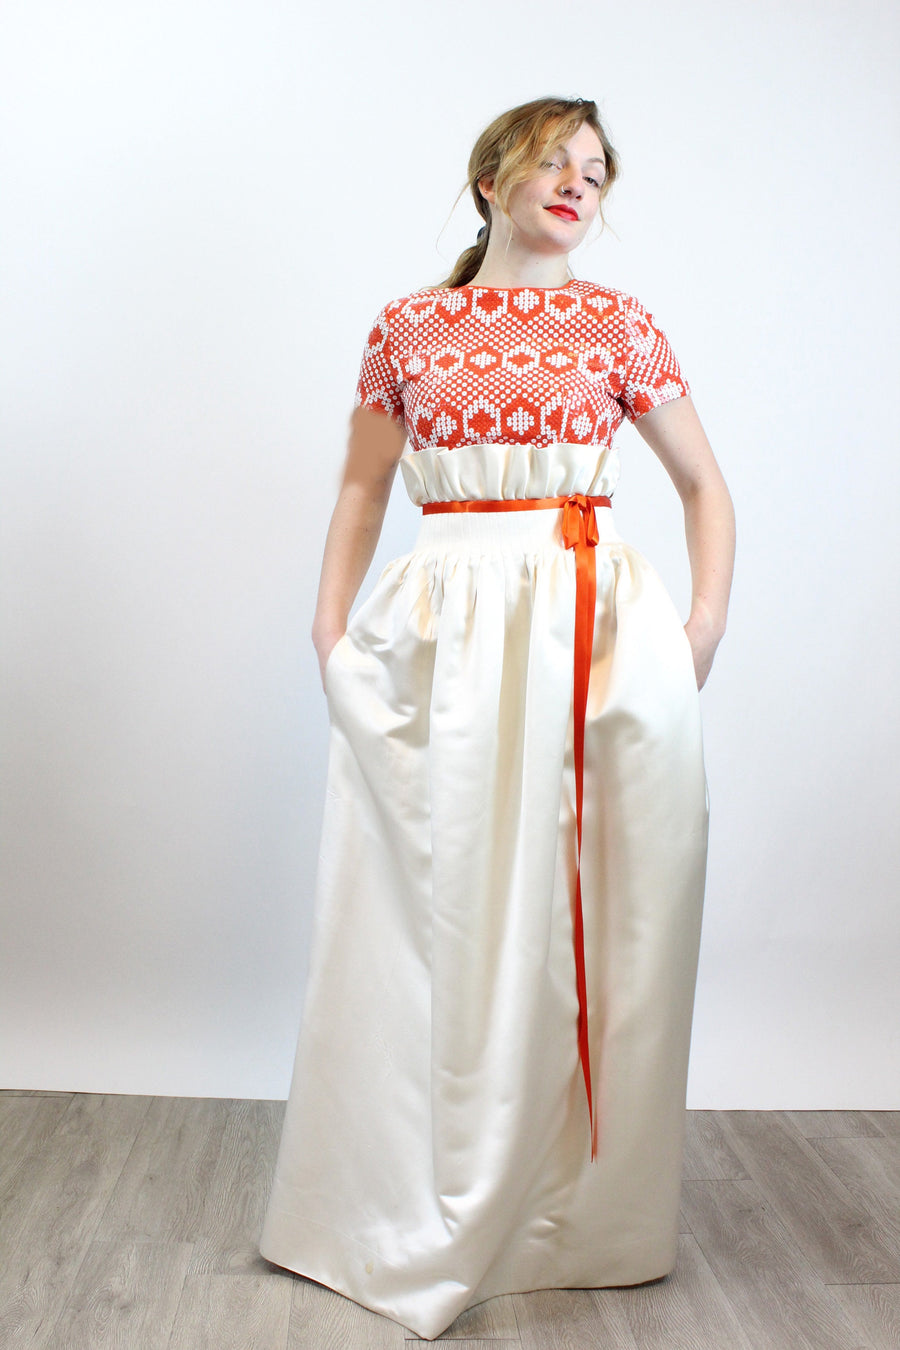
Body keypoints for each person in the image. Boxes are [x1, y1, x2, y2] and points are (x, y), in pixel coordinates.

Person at [259, 95, 736, 1342]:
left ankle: (580, 1221)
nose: (580, 184)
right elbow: (363, 489)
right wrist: (328, 632)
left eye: (597, 170)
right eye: (555, 162)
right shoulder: (409, 329)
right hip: (447, 638)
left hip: (596, 640)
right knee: (448, 908)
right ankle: (416, 1195)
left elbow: (704, 486)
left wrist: (698, 632)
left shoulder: (618, 324)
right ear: (491, 180)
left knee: (610, 917)